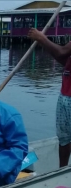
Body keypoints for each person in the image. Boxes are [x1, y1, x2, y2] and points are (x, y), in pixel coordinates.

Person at [28, 28, 71, 167]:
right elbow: (64, 59)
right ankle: (61, 171)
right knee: (64, 138)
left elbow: (61, 52)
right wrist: (44, 43)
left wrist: (42, 39)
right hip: (65, 96)